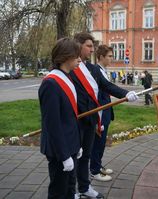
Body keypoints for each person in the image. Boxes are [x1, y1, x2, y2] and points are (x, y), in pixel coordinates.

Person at [70, 32, 138, 198]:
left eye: (93, 46)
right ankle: (71, 191)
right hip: (76, 120)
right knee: (74, 158)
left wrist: (125, 94)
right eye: (89, 46)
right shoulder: (70, 68)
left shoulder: (93, 69)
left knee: (86, 155)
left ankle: (85, 188)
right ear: (78, 46)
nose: (92, 50)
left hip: (91, 120)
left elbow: (107, 86)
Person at [39, 38, 82, 199]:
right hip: (59, 151)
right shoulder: (51, 84)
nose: (79, 59)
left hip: (70, 145)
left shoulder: (67, 77)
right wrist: (64, 155)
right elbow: (53, 125)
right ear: (65, 57)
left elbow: (71, 117)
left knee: (70, 188)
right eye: (76, 56)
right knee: (59, 191)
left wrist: (77, 145)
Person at [89, 45, 116, 181]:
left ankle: (98, 165)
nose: (112, 58)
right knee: (98, 143)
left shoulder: (103, 70)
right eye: (109, 56)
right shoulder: (96, 71)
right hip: (100, 114)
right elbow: (98, 96)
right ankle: (94, 170)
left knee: (101, 142)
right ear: (101, 57)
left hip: (105, 113)